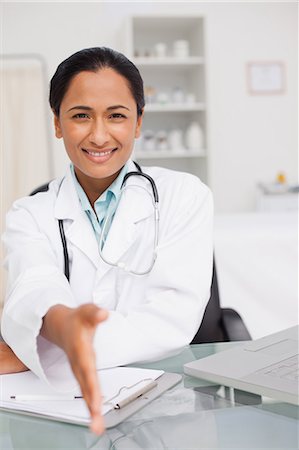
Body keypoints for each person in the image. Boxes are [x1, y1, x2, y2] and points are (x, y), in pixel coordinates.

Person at [0, 47, 213, 434]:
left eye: (116, 116)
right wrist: (60, 324)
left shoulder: (185, 195)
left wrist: (48, 348)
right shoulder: (28, 213)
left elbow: (172, 318)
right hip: (64, 411)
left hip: (167, 404)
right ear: (58, 124)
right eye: (81, 116)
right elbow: (34, 287)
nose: (99, 135)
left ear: (137, 122)